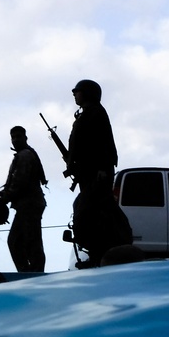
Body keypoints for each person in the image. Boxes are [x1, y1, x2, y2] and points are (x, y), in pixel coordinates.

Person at [65, 79, 132, 267]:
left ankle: (102, 252)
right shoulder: (86, 114)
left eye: (77, 91)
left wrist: (102, 169)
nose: (74, 94)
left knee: (89, 212)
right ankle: (97, 254)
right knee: (91, 213)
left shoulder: (96, 114)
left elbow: (103, 144)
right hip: (88, 173)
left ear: (87, 93)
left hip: (97, 174)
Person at [3, 125, 47, 272]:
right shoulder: (24, 154)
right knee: (23, 241)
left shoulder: (25, 155)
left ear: (25, 137)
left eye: (18, 136)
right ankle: (29, 272)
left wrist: (5, 197)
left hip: (29, 205)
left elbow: (19, 182)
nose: (15, 140)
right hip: (28, 205)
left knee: (25, 242)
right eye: (13, 137)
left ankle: (31, 273)